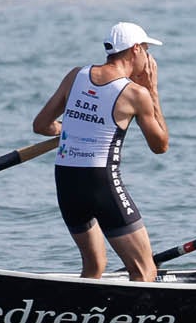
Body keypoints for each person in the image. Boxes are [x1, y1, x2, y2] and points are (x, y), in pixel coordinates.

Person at [32, 21, 170, 281]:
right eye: (147, 50)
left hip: (67, 181)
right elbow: (160, 146)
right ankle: (134, 311)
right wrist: (152, 91)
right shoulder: (135, 94)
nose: (149, 58)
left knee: (94, 266)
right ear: (135, 49)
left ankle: (77, 307)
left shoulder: (76, 76)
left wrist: (73, 128)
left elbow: (41, 125)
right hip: (101, 183)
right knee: (144, 270)